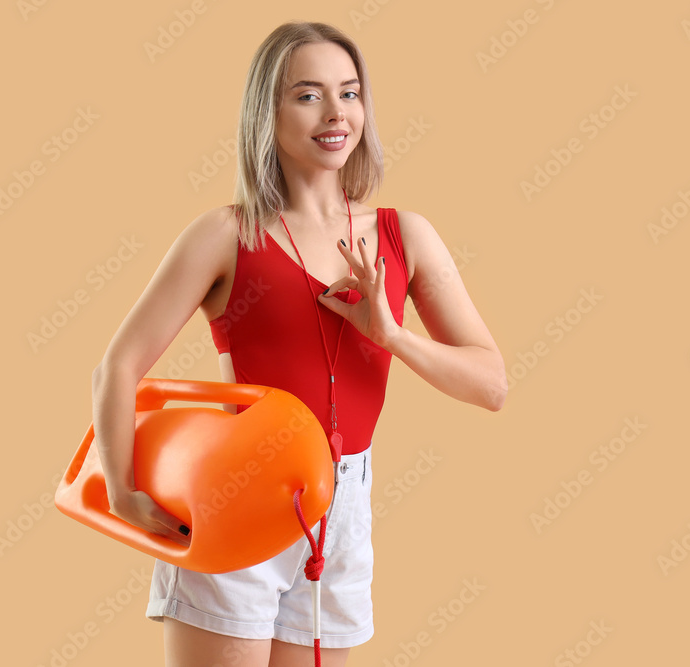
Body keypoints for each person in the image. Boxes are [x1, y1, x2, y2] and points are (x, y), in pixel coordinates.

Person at [89, 20, 507, 667]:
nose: (336, 113)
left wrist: (392, 334)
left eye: (349, 92)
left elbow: (491, 382)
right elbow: (117, 366)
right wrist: (120, 490)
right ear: (268, 112)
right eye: (308, 95)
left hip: (344, 510)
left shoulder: (407, 236)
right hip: (239, 494)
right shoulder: (225, 234)